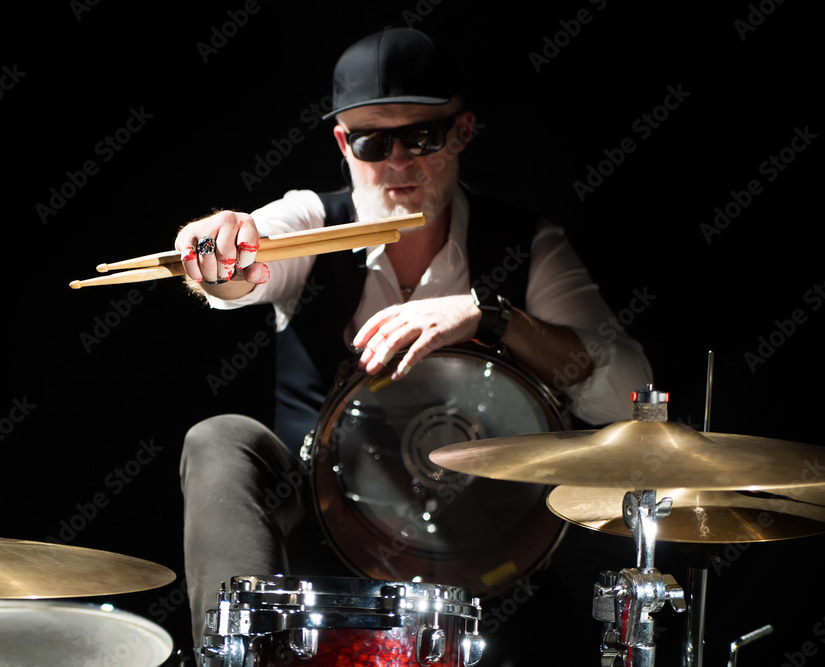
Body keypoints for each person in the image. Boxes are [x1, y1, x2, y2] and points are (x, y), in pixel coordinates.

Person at [177, 27, 652, 658]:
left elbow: (629, 395)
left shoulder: (526, 243)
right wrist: (216, 250)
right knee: (220, 441)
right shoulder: (311, 223)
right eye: (374, 140)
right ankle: (234, 654)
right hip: (324, 525)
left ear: (462, 132)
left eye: (422, 137)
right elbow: (236, 261)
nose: (398, 162)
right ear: (344, 144)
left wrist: (490, 316)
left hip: (479, 555)